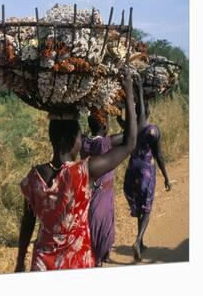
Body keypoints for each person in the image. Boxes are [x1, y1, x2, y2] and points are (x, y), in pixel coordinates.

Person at [15, 71, 137, 272]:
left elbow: (28, 222)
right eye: (80, 136)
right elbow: (130, 144)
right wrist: (130, 94)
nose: (82, 141)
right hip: (76, 261)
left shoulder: (33, 178)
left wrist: (20, 261)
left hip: (42, 263)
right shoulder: (84, 171)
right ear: (73, 140)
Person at [80, 75, 146, 266]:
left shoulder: (83, 142)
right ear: (105, 125)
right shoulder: (108, 144)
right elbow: (137, 130)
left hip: (87, 201)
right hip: (101, 205)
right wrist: (134, 95)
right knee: (100, 243)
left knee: (90, 241)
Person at [123, 85, 171, 262]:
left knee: (138, 205)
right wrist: (166, 177)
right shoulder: (152, 130)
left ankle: (141, 241)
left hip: (131, 169)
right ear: (147, 113)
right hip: (145, 171)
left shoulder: (130, 128)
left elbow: (125, 120)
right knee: (147, 208)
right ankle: (137, 241)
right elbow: (159, 155)